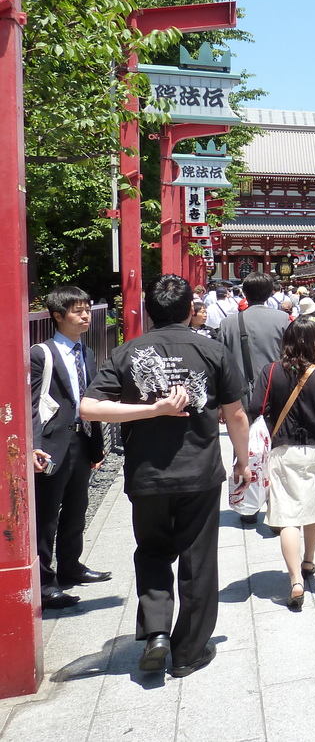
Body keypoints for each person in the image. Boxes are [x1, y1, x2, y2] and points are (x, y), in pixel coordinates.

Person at [81, 275, 251, 677]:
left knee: (153, 550)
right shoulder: (212, 350)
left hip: (148, 473)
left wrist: (147, 411)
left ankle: (156, 631)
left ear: (149, 311)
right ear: (190, 310)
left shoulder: (128, 352)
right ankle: (188, 650)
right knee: (198, 558)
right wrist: (244, 462)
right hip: (199, 470)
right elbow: (237, 414)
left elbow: (89, 407)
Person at [249, 319, 315, 611]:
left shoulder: (270, 371)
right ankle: (309, 560)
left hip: (282, 450)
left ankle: (295, 581)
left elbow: (256, 408)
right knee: (313, 508)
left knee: (288, 517)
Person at [29, 286, 110, 610]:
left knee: (77, 507)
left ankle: (71, 566)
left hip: (81, 437)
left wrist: (96, 444)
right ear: (58, 315)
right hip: (52, 442)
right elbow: (33, 404)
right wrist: (34, 445)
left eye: (87, 309)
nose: (86, 316)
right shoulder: (42, 354)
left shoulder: (86, 352)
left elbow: (90, 400)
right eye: (78, 311)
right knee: (47, 514)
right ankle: (45, 583)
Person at [217, 271, 291, 411]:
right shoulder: (283, 319)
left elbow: (221, 363)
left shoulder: (228, 324)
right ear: (270, 293)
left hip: (239, 395)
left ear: (244, 293)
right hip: (275, 389)